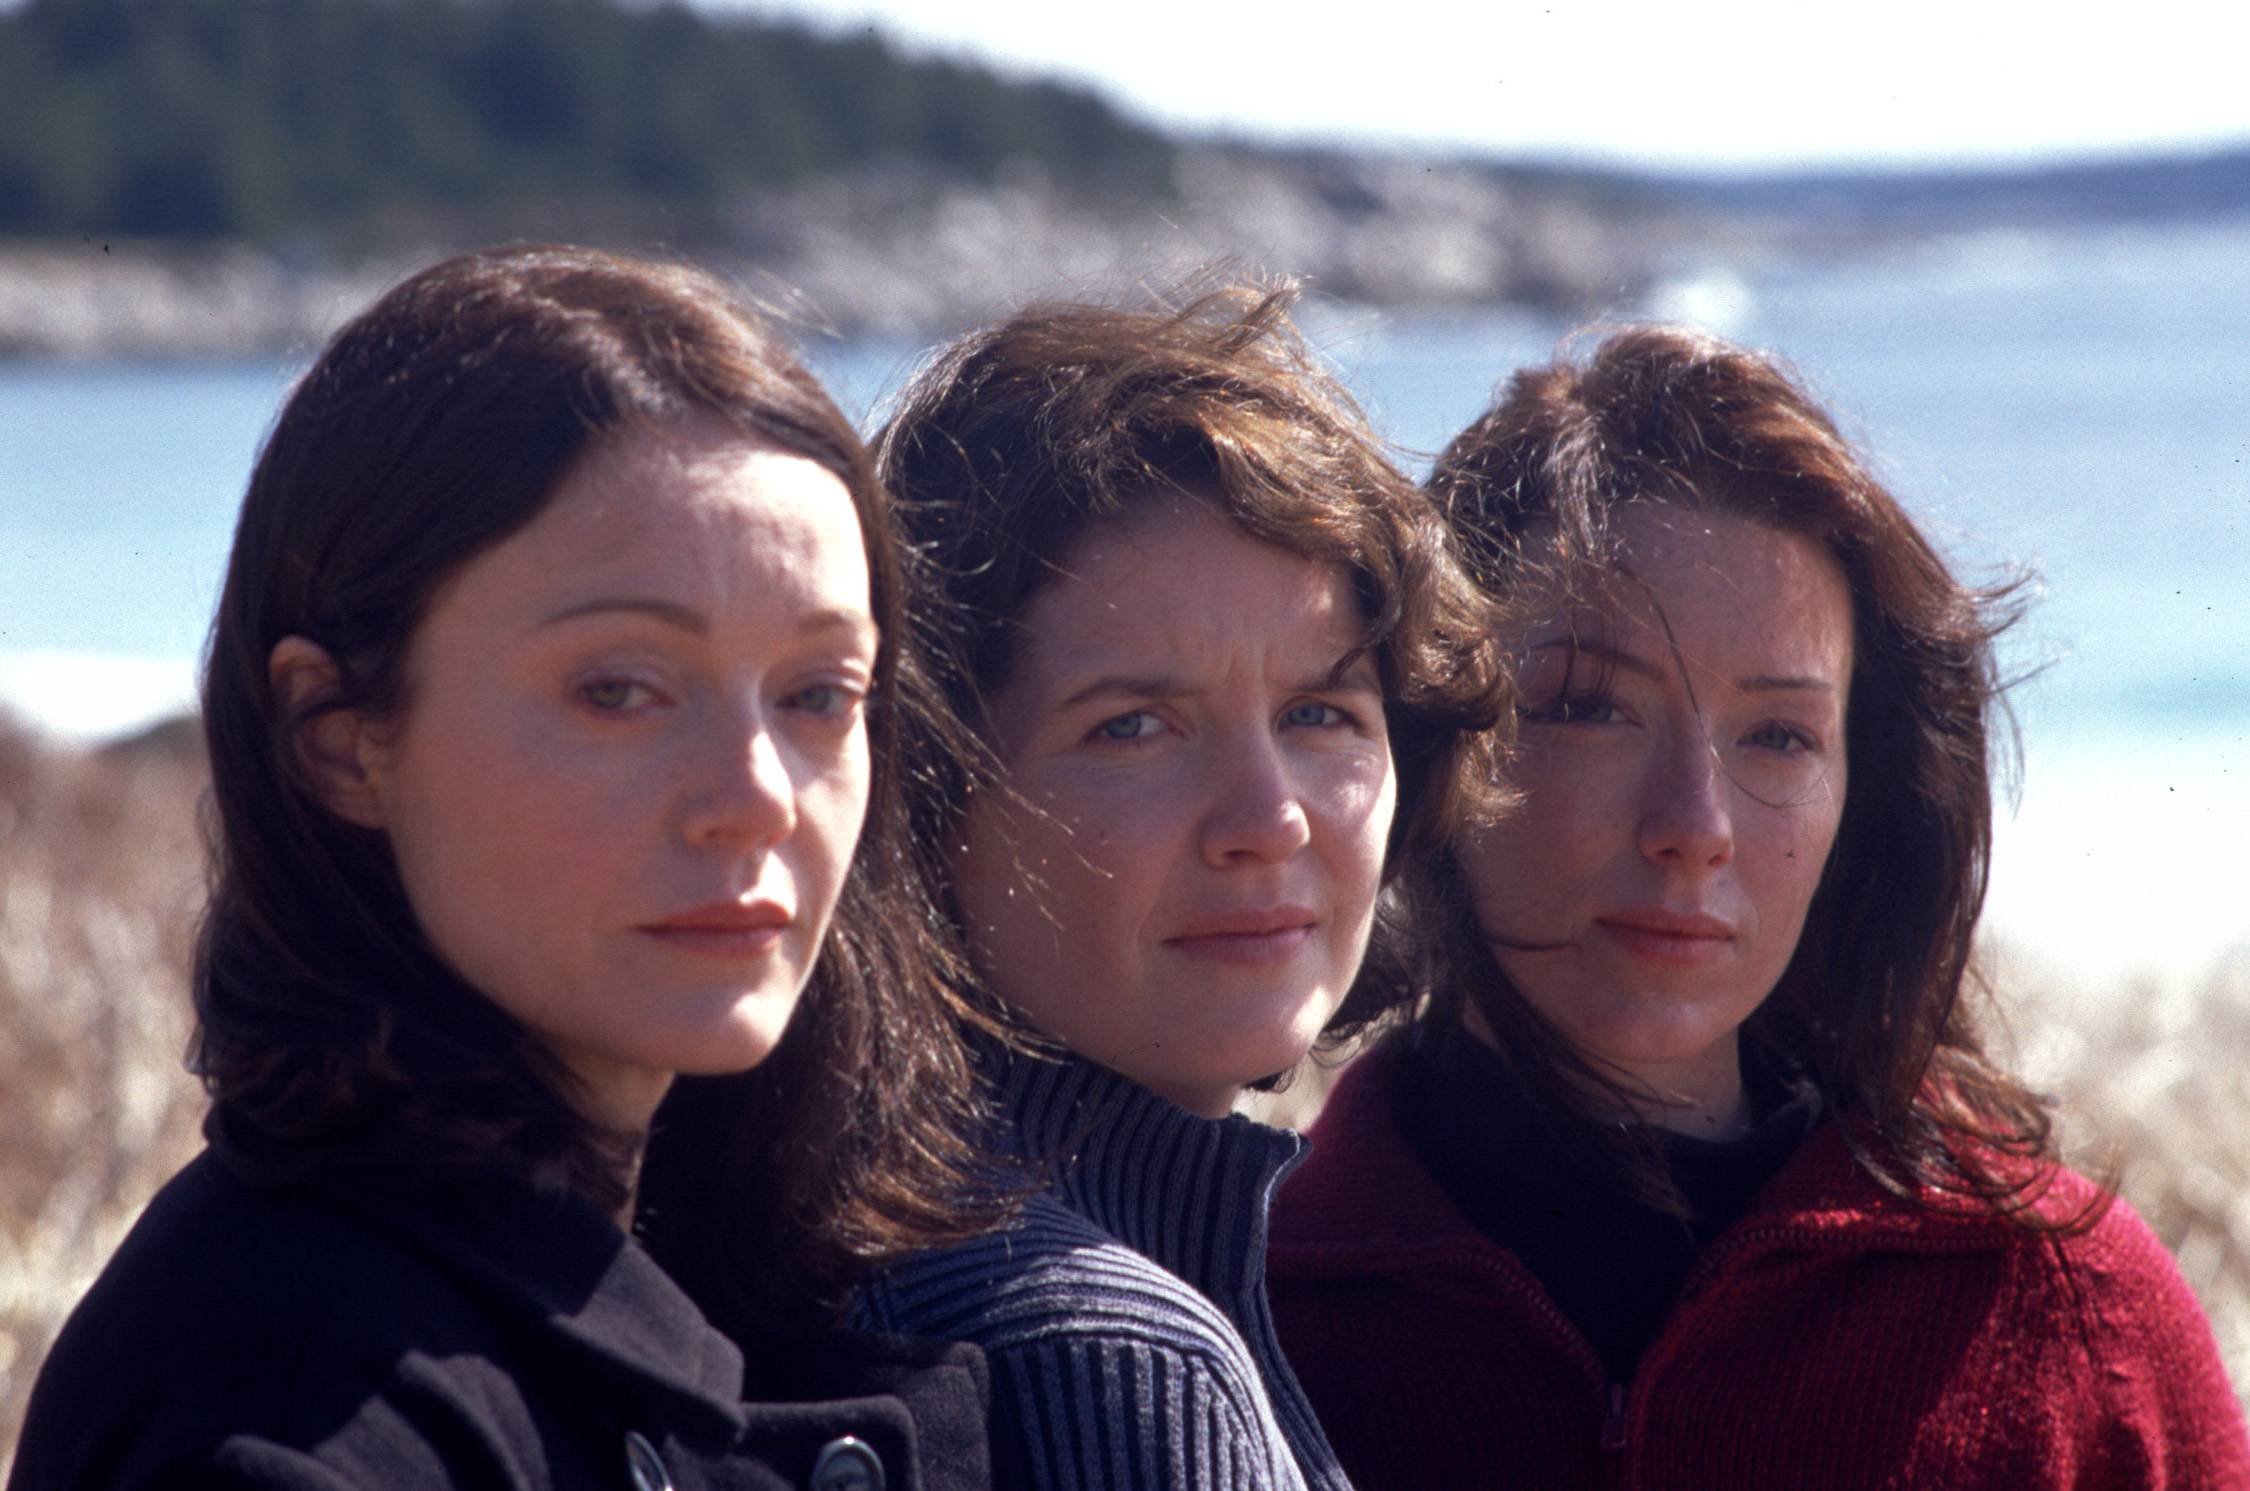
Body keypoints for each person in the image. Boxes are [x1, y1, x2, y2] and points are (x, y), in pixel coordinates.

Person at [9, 245, 1000, 1491]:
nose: (758, 795)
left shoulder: (745, 1270)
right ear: (339, 738)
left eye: (818, 694)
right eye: (620, 690)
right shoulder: (290, 1418)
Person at [1266, 325, 2250, 1488]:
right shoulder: (1249, 1302)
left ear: (1861, 798)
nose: (1697, 823)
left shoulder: (2070, 1312)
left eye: (1779, 735)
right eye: (1589, 707)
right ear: (1434, 734)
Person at [846, 282, 1509, 1491]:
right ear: (926, 797)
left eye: (1320, 713)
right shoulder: (1115, 1357)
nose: (1269, 820)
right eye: (1133, 727)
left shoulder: (867, 1226)